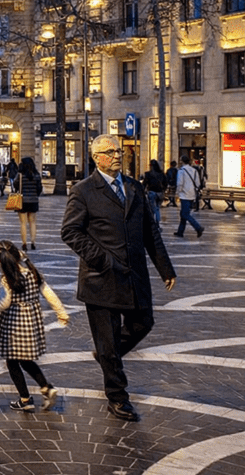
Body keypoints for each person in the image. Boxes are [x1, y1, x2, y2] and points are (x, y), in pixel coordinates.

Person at [60, 134, 177, 422]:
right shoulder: (84, 190)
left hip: (134, 275)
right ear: (96, 157)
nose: (117, 155)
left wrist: (165, 267)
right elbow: (70, 232)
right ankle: (118, 396)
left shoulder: (134, 187)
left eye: (119, 150)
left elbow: (151, 231)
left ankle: (105, 356)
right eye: (110, 151)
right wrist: (101, 258)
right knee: (109, 340)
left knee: (143, 323)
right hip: (101, 278)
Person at [0, 240, 69, 412]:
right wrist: (61, 312)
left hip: (13, 324)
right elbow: (48, 292)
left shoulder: (8, 279)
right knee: (25, 359)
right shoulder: (33, 272)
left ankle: (25, 399)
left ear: (0, 262)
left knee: (12, 362)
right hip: (30, 322)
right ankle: (46, 388)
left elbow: (4, 303)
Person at [15, 157, 43, 250]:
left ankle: (24, 243)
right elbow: (39, 188)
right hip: (33, 200)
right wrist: (35, 195)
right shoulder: (37, 175)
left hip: (22, 201)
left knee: (23, 223)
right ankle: (33, 242)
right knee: (33, 222)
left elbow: (15, 185)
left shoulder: (20, 175)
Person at [174, 155, 205, 238]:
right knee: (183, 213)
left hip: (184, 195)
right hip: (192, 195)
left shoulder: (181, 171)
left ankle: (198, 227)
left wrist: (177, 193)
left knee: (185, 214)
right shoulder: (194, 170)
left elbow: (180, 183)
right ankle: (180, 231)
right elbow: (198, 183)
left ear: (182, 161)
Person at [143, 159, 166, 227]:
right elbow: (165, 183)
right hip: (160, 193)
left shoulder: (148, 174)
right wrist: (163, 190)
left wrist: (143, 190)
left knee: (153, 209)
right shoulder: (161, 174)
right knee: (157, 208)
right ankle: (157, 222)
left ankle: (154, 223)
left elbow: (144, 183)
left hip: (152, 192)